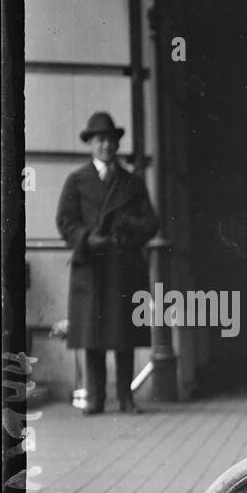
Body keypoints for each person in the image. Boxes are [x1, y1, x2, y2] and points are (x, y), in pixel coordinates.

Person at [55, 111, 159, 415]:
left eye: (111, 140)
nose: (106, 146)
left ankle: (126, 399)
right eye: (101, 140)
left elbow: (151, 222)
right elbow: (65, 222)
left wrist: (130, 227)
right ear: (91, 143)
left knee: (123, 334)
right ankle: (96, 399)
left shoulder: (132, 182)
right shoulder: (77, 180)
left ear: (117, 144)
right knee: (93, 335)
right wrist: (86, 238)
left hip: (124, 266)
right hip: (91, 267)